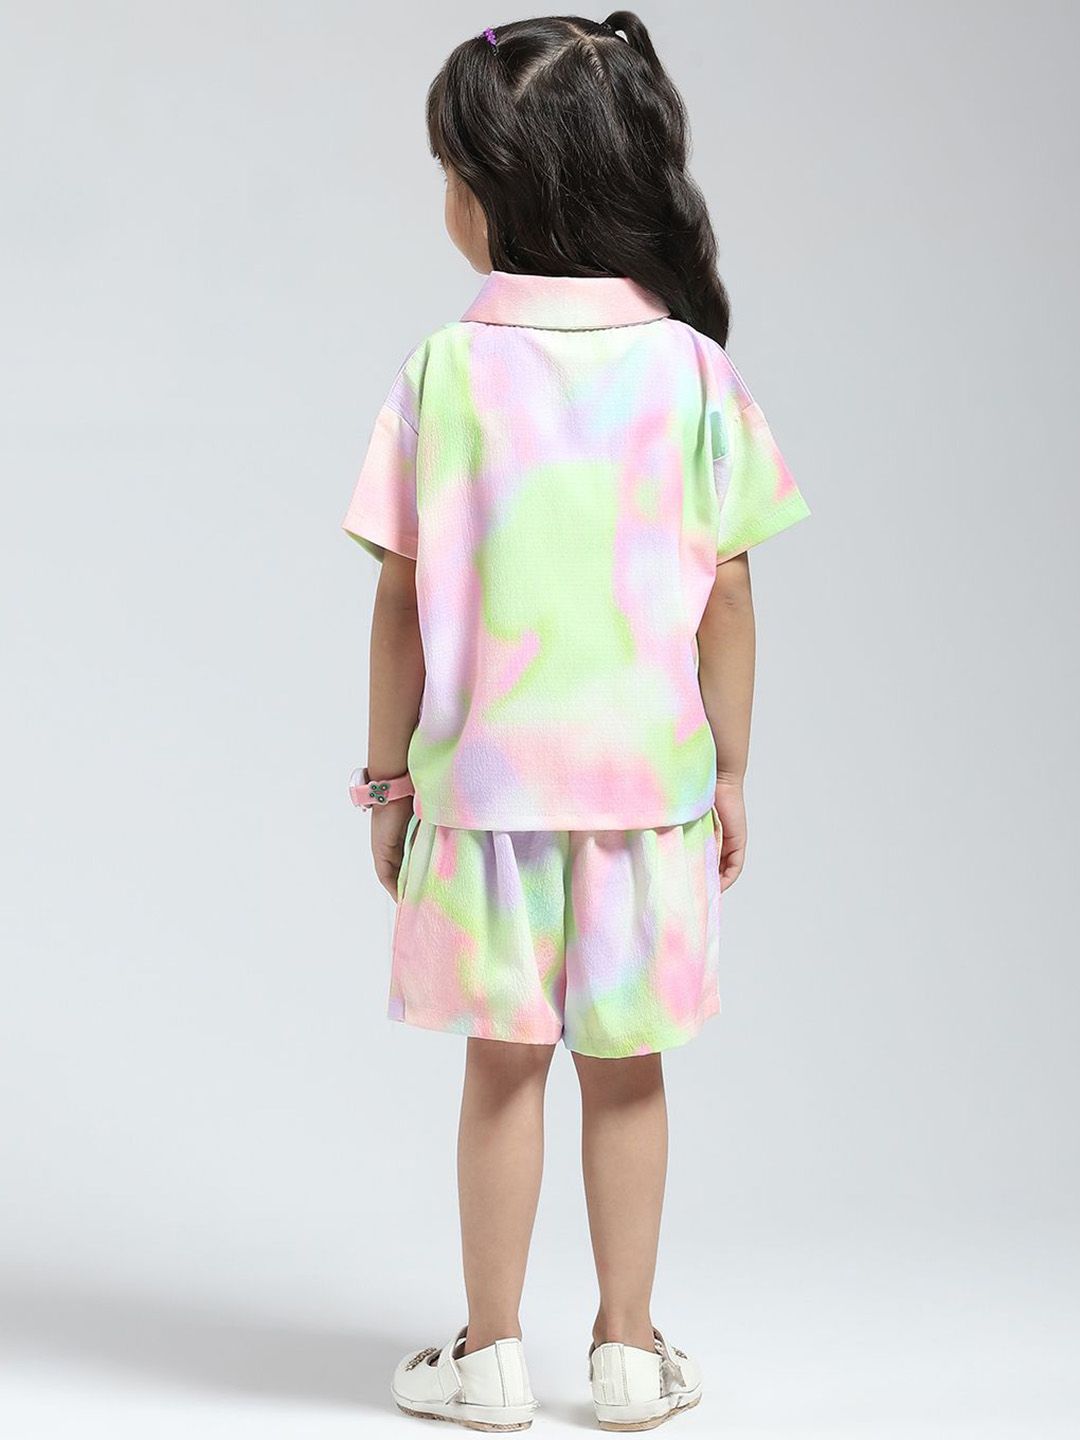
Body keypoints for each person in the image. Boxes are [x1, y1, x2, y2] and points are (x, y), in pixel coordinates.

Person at [341, 13, 809, 1431]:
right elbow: (729, 594)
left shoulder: (443, 371)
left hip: (483, 798)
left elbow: (401, 602)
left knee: (501, 1071)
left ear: (502, 187)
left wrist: (385, 780)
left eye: (449, 170)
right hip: (646, 797)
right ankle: (627, 1350)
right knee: (627, 1074)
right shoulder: (692, 372)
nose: (442, 196)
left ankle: (489, 1356)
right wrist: (732, 771)